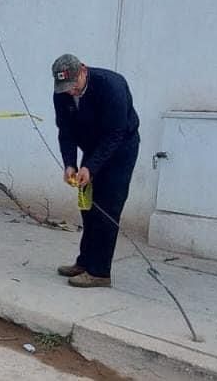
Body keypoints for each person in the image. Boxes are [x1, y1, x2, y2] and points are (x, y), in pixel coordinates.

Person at [51, 54, 140, 288]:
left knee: (107, 208)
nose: (70, 92)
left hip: (120, 149)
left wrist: (90, 167)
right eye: (65, 88)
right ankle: (85, 262)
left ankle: (100, 272)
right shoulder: (62, 94)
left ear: (83, 70)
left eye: (74, 85)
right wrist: (70, 163)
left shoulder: (112, 86)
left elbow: (115, 133)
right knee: (87, 205)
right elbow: (65, 131)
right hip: (92, 147)